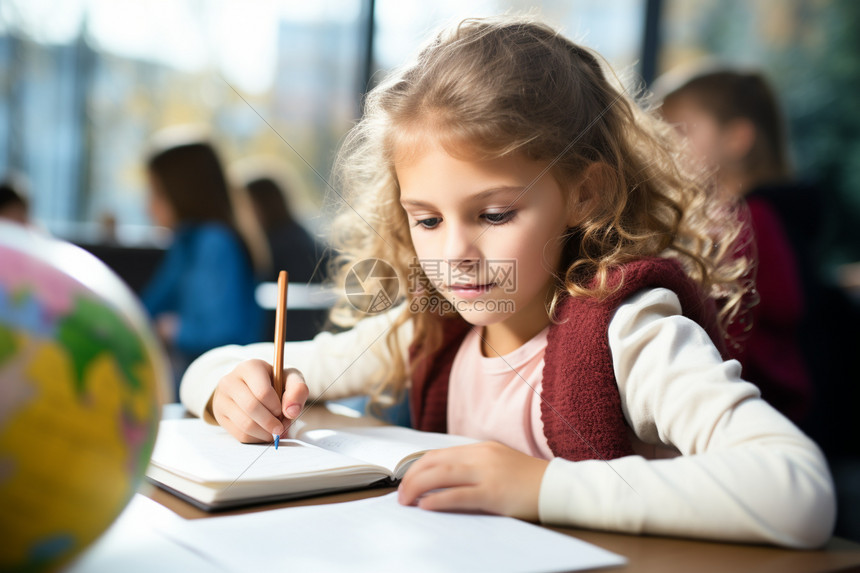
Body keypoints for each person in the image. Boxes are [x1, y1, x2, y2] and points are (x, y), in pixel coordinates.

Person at [179, 17, 835, 547]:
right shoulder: (431, 322)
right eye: (428, 219)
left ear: (584, 194)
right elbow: (229, 364)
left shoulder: (631, 329)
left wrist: (538, 486)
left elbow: (797, 488)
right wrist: (226, 388)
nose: (456, 254)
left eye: (494, 214)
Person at [659, 68, 814, 424]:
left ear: (737, 139)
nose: (666, 144)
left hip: (755, 407)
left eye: (680, 130)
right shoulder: (734, 217)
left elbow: (770, 310)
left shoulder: (754, 219)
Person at [142, 134, 263, 395]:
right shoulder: (186, 240)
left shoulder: (213, 242)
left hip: (220, 384)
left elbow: (222, 331)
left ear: (182, 191)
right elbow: (150, 307)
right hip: (198, 378)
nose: (148, 206)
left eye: (156, 192)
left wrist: (172, 329)